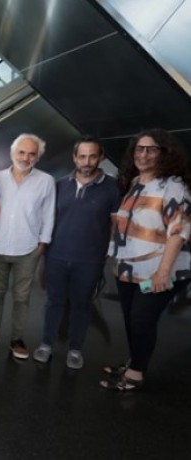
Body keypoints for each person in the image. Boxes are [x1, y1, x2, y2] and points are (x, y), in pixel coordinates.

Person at [100, 129, 191, 391]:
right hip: (129, 268)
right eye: (139, 149)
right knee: (131, 318)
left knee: (142, 319)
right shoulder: (135, 182)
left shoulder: (173, 186)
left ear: (165, 153)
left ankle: (136, 373)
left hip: (159, 270)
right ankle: (135, 361)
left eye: (151, 149)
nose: (144, 154)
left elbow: (179, 231)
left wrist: (163, 272)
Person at [32, 137, 120, 369]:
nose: (87, 161)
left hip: (90, 259)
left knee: (82, 305)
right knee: (54, 302)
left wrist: (109, 251)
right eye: (82, 156)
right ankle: (46, 345)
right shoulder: (59, 185)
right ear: (74, 158)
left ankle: (75, 350)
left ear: (100, 157)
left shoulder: (112, 188)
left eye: (92, 156)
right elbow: (47, 219)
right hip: (56, 256)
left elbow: (115, 225)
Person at [0, 134, 55, 360]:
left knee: (22, 297)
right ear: (12, 153)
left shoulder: (46, 181)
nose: (25, 157)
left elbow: (49, 214)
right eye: (21, 152)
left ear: (38, 157)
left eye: (32, 154)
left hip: (28, 249)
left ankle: (17, 339)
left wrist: (43, 243)